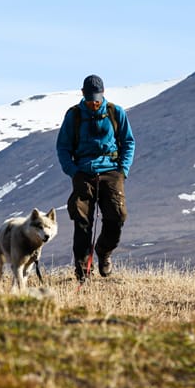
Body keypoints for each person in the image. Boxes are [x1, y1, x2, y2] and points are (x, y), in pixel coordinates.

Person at [55, 74, 135, 282]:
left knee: (117, 216)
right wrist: (73, 171)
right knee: (82, 221)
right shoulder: (73, 115)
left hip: (111, 172)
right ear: (83, 95)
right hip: (83, 172)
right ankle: (83, 271)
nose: (94, 103)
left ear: (103, 94)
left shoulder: (115, 112)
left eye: (97, 99)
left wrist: (122, 170)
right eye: (90, 99)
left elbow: (128, 142)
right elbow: (63, 147)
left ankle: (104, 251)